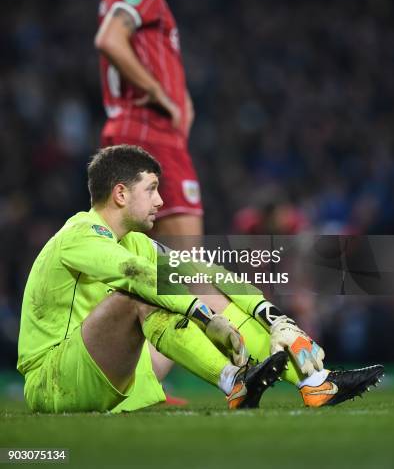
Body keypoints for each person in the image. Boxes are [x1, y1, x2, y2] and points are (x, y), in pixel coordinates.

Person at [17, 145, 287, 413]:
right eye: (151, 189)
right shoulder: (80, 234)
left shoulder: (136, 242)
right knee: (142, 293)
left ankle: (310, 379)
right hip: (54, 380)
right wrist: (203, 316)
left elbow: (202, 271)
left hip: (109, 372)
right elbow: (135, 274)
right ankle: (233, 380)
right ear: (121, 194)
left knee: (196, 286)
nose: (159, 201)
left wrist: (265, 311)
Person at [95, 0, 202, 240]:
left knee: (143, 274)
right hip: (148, 131)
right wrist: (158, 93)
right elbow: (110, 39)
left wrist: (179, 98)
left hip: (142, 133)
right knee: (189, 267)